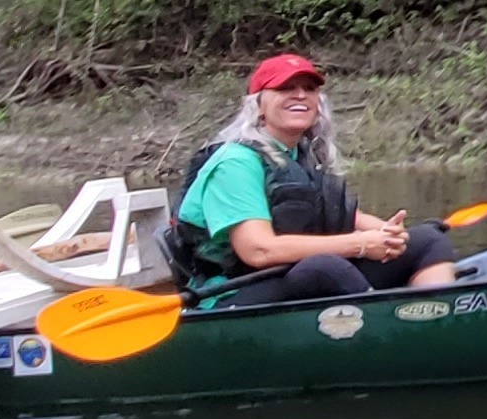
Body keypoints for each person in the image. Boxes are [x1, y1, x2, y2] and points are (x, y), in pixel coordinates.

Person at [167, 54, 462, 311]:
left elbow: (341, 216)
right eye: (285, 88)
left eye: (309, 89)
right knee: (324, 267)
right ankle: (385, 331)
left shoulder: (299, 155)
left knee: (427, 240)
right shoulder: (236, 163)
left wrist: (388, 234)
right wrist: (360, 244)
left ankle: (434, 318)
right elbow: (258, 250)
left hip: (290, 275)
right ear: (258, 105)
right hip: (234, 290)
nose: (300, 95)